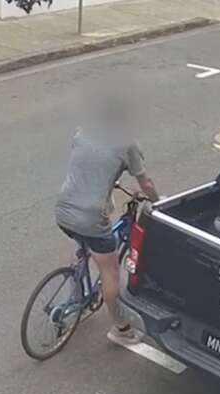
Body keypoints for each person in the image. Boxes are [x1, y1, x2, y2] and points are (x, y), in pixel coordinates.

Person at [55, 100, 160, 347]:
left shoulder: (83, 131)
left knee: (85, 242)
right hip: (90, 217)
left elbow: (87, 162)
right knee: (110, 270)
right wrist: (157, 202)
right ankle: (120, 328)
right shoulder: (126, 143)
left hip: (63, 209)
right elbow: (145, 184)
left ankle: (78, 285)